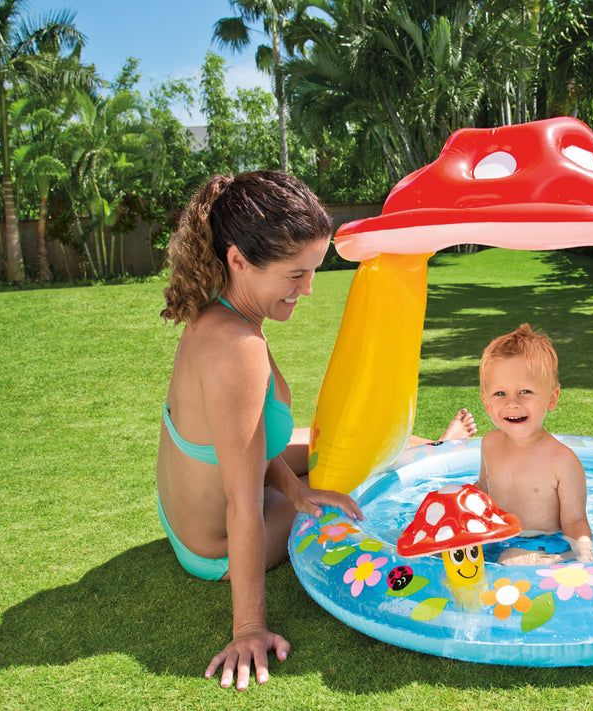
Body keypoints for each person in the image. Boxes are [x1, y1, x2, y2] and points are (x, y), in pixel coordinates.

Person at [156, 171, 475, 691]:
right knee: (352, 482)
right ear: (238, 259)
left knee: (334, 441)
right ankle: (430, 454)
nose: (307, 288)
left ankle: (436, 446)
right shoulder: (236, 348)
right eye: (294, 274)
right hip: (213, 546)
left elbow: (247, 441)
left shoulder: (224, 312)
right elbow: (241, 501)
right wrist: (249, 628)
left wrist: (297, 487)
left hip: (188, 510)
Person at [475, 324, 593, 566]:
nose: (512, 403)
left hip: (543, 543)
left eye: (525, 391)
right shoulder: (490, 443)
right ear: (486, 403)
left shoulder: (562, 461)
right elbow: (483, 489)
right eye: (500, 394)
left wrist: (585, 556)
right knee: (444, 548)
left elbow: (575, 522)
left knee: (510, 560)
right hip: (497, 536)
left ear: (552, 398)